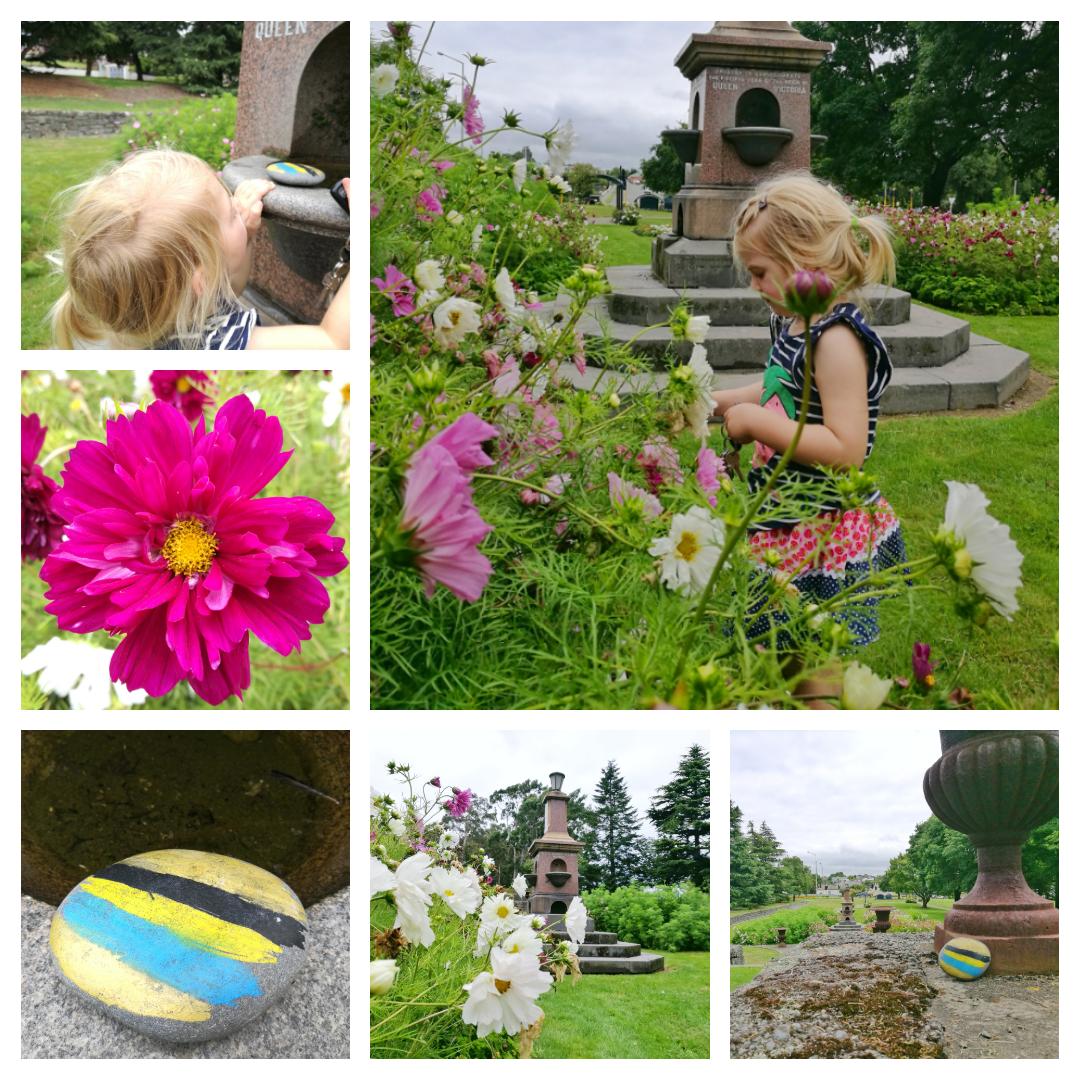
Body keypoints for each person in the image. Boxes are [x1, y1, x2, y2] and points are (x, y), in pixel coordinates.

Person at [711, 170, 906, 648]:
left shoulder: (837, 340)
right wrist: (721, 402)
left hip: (817, 526)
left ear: (801, 259)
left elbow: (846, 449)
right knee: (776, 646)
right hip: (781, 512)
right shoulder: (792, 322)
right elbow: (781, 387)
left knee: (813, 651)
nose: (754, 285)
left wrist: (759, 424)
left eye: (758, 272)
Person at [49, 149, 350, 350]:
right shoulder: (220, 345)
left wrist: (241, 235)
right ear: (202, 277)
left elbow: (229, 287)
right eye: (231, 213)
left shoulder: (156, 312)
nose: (236, 204)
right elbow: (334, 343)